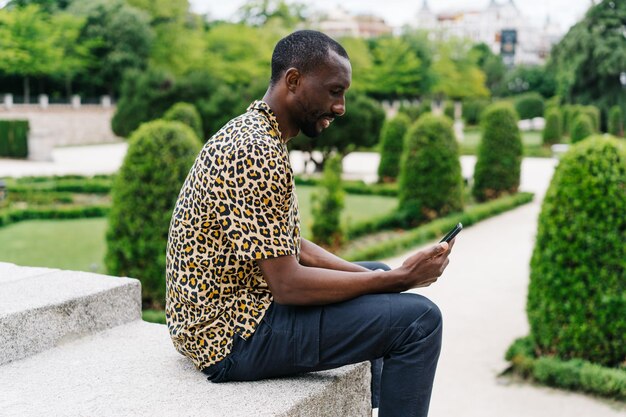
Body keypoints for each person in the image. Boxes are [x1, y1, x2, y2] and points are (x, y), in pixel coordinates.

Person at [165, 30, 454, 417]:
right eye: (335, 91)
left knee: (379, 277)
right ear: (294, 81)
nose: (341, 107)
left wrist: (383, 279)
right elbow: (286, 285)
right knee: (420, 321)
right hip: (230, 339)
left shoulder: (257, 133)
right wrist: (398, 281)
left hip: (230, 316)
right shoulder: (255, 151)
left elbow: (292, 245)